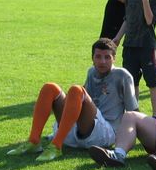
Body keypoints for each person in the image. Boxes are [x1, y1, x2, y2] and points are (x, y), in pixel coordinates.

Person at [7, 38, 138, 161]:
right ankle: (34, 141)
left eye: (107, 57)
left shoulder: (122, 75)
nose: (102, 61)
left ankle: (56, 146)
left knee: (76, 90)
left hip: (105, 134)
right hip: (78, 132)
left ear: (114, 58)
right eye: (98, 57)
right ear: (92, 58)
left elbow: (133, 113)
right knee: (50, 88)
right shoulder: (91, 72)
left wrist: (136, 136)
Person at [113, 0, 156, 117]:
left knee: (153, 82)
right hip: (130, 45)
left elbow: (149, 21)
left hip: (147, 46)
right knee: (131, 81)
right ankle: (135, 115)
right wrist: (117, 38)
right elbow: (127, 19)